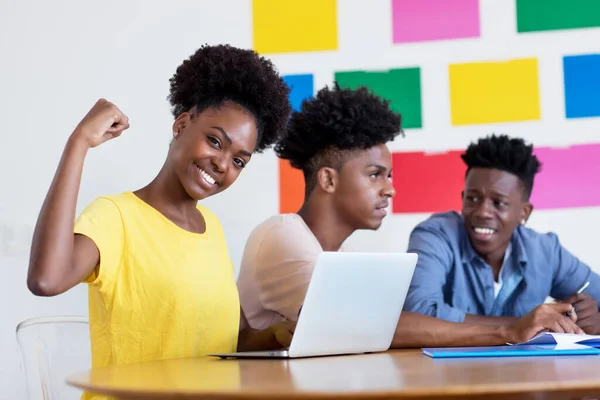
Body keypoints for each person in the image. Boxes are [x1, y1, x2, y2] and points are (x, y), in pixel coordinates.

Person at [27, 44, 295, 398]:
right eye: (215, 141)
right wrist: (78, 143)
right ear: (182, 123)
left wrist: (276, 334)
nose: (223, 164)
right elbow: (47, 279)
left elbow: (230, 338)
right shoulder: (117, 216)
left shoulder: (211, 229)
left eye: (239, 161)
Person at [237, 85, 583, 350]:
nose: (390, 190)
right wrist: (510, 329)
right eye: (376, 175)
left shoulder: (335, 258)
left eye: (389, 176)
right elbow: (372, 325)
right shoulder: (282, 237)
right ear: (328, 179)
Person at [404, 134, 600, 334]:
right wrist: (524, 324)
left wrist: (594, 322)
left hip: (527, 367)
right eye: (472, 199)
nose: (482, 212)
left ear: (524, 212)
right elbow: (417, 312)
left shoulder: (545, 250)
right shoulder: (435, 235)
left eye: (499, 203)